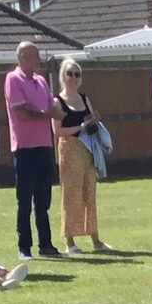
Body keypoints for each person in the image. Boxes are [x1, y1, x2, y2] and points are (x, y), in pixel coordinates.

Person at [6, 40, 60, 260]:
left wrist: (53, 112)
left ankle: (45, 245)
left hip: (44, 147)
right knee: (25, 200)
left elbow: (53, 108)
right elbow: (21, 112)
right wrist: (45, 113)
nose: (39, 59)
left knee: (43, 200)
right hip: (25, 149)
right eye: (35, 55)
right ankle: (24, 247)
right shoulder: (13, 79)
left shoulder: (41, 81)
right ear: (22, 57)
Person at [53, 58, 114, 255]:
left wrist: (93, 120)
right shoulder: (58, 101)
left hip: (89, 151)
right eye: (69, 74)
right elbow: (58, 131)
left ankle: (96, 240)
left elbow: (90, 121)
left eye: (76, 74)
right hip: (69, 151)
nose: (73, 78)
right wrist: (79, 127)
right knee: (71, 194)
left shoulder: (84, 99)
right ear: (63, 76)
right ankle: (70, 242)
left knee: (90, 193)